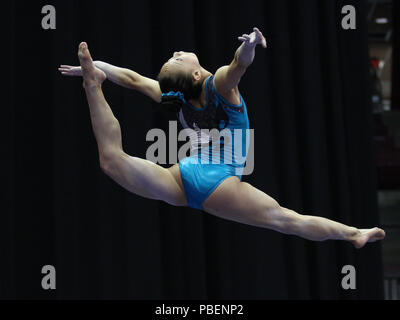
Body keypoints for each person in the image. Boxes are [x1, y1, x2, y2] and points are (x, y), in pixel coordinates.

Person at [59, 27, 385, 249]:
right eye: (176, 58)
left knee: (112, 161)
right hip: (216, 181)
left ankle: (93, 85)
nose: (176, 51)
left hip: (183, 178)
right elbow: (236, 66)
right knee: (286, 220)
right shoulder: (215, 87)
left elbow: (237, 63)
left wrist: (249, 47)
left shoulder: (193, 93)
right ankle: (353, 233)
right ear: (197, 74)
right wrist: (250, 45)